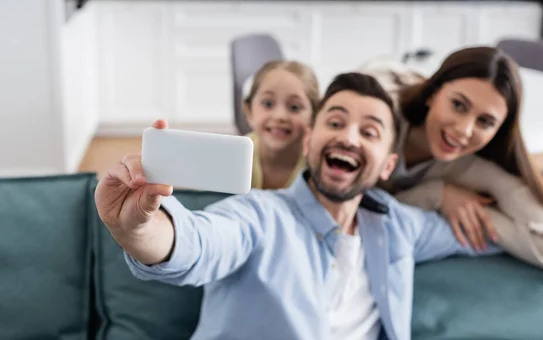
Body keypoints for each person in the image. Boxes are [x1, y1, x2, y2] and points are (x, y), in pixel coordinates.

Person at [95, 73, 508, 340]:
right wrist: (138, 230)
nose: (348, 137)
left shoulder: (399, 225)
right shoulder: (261, 216)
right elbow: (201, 243)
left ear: (388, 165)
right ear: (308, 142)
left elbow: (486, 234)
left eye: (369, 131)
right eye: (335, 122)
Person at [361, 46, 543, 294]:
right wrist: (437, 195)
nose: (464, 130)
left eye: (485, 122)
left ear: (498, 130)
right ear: (433, 93)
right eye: (458, 105)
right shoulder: (377, 120)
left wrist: (450, 199)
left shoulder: (470, 165)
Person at [242, 60, 320, 189]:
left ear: (314, 116)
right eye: (267, 104)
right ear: (249, 110)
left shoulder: (316, 166)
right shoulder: (233, 159)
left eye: (294, 107)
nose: (280, 116)